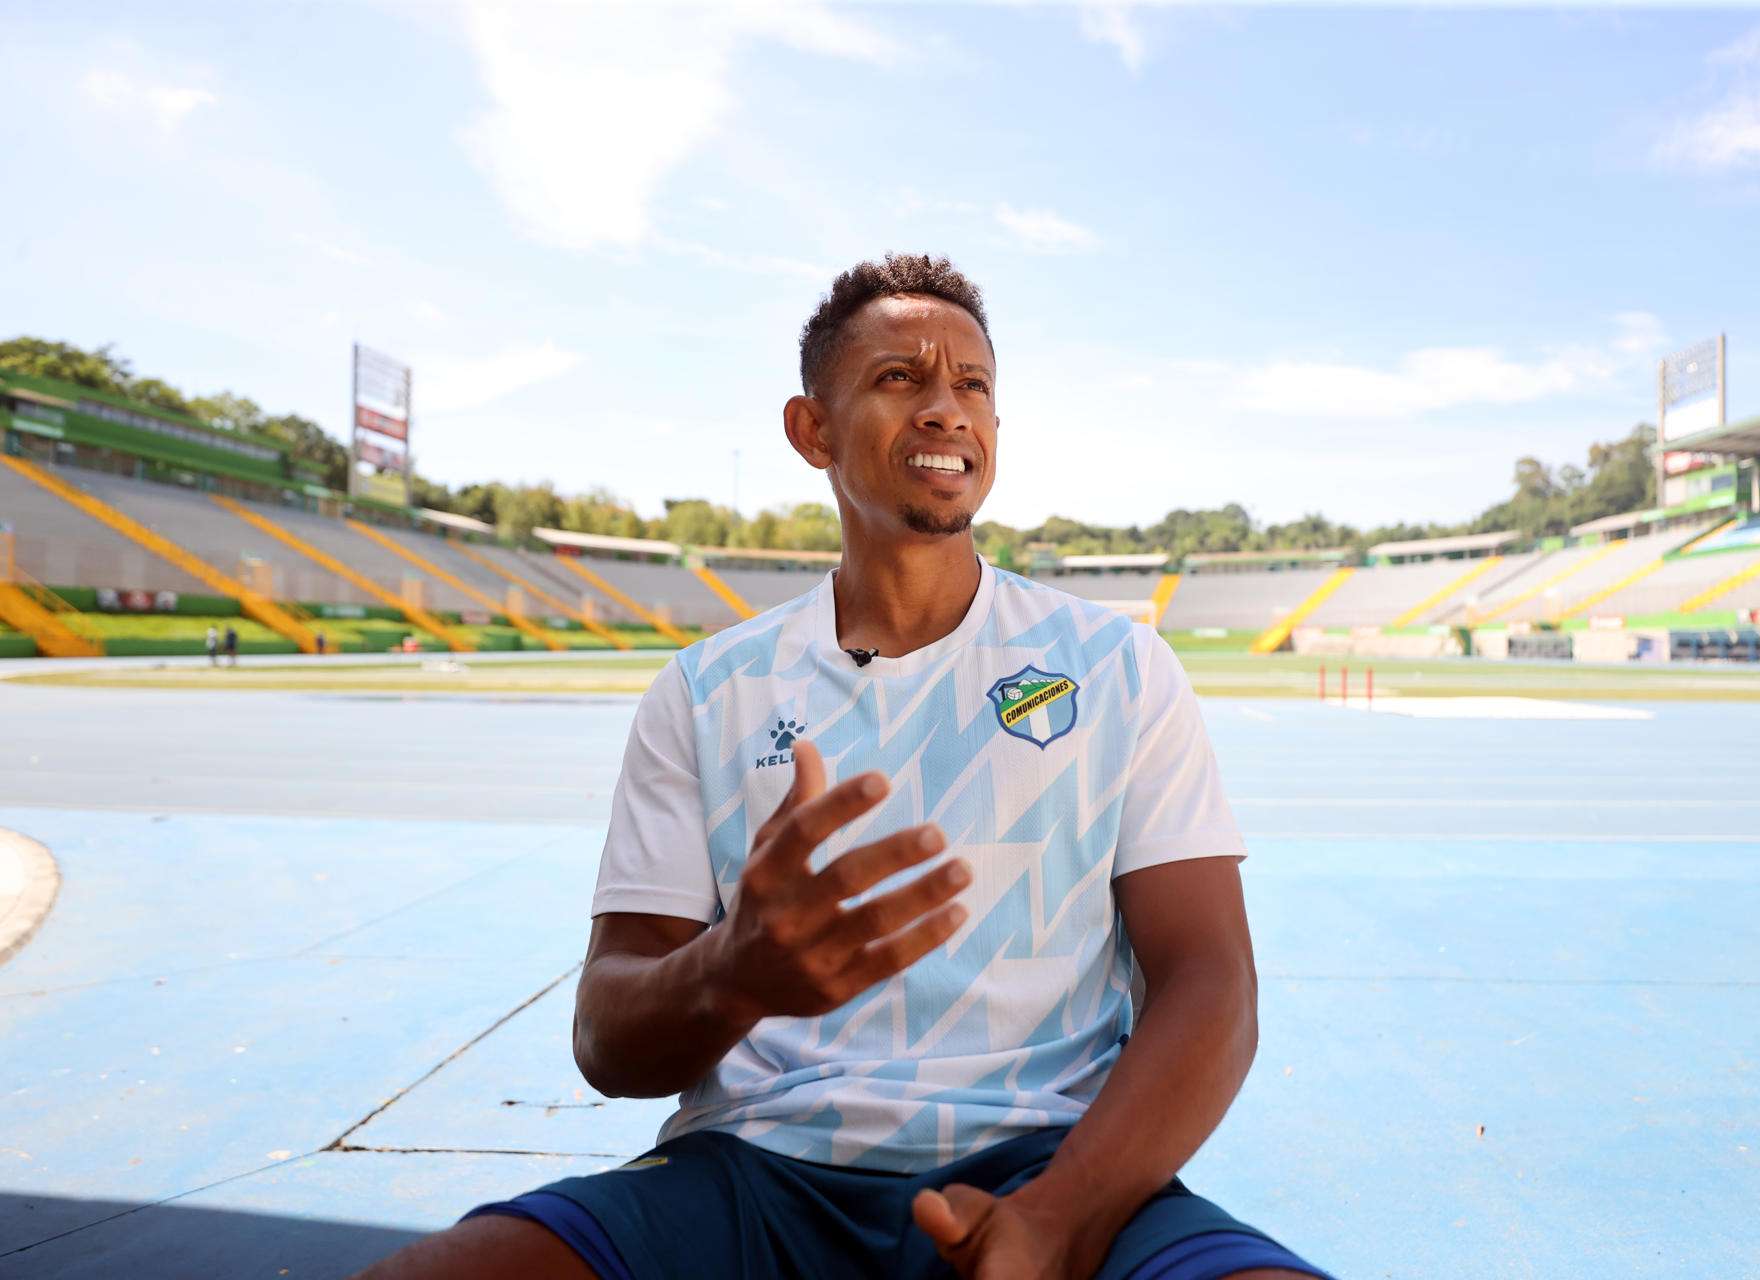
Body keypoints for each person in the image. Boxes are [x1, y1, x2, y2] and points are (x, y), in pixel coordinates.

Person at [357, 255, 1330, 1280]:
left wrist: (1060, 1214)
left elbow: (1212, 980)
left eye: (974, 385)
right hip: (755, 1172)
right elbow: (607, 1035)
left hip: (1052, 1164)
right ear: (812, 429)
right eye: (901, 378)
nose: (949, 409)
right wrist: (733, 969)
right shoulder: (706, 691)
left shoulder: (1121, 667)